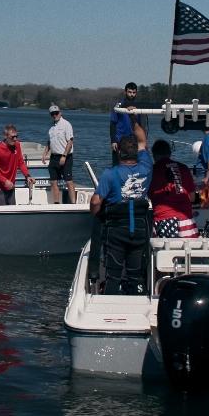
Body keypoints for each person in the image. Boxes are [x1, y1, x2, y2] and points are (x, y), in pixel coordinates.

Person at [90, 112, 153, 295]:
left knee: (113, 275)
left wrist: (94, 212)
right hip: (139, 230)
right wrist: (134, 119)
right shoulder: (146, 167)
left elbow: (96, 202)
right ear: (136, 153)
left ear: (118, 152)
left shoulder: (110, 174)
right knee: (135, 275)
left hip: (116, 232)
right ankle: (136, 300)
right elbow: (142, 141)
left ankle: (110, 304)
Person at [149, 139, 199, 238]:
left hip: (163, 221)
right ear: (169, 153)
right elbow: (193, 198)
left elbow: (149, 195)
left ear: (154, 155)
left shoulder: (151, 171)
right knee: (188, 252)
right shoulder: (184, 168)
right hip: (186, 222)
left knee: (164, 252)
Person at [0, 124, 33, 205]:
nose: (15, 139)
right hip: (0, 187)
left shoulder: (17, 145)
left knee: (12, 209)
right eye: (12, 137)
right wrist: (5, 181)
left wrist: (27, 175)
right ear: (5, 136)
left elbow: (21, 162)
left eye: (16, 136)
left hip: (11, 185)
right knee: (2, 212)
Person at [41, 104, 76, 204]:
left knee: (68, 181)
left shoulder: (66, 124)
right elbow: (49, 142)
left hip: (65, 157)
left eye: (56, 113)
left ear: (60, 113)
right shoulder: (51, 128)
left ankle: (73, 203)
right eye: (52, 114)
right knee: (53, 181)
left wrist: (64, 156)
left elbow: (70, 141)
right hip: (54, 157)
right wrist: (44, 154)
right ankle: (56, 203)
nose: (55, 115)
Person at [109, 82, 148, 165]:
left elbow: (142, 126)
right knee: (117, 165)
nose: (132, 94)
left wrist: (144, 142)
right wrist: (113, 140)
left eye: (134, 92)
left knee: (134, 165)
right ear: (125, 92)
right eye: (130, 92)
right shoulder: (118, 106)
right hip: (120, 140)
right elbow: (112, 123)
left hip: (134, 142)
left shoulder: (139, 107)